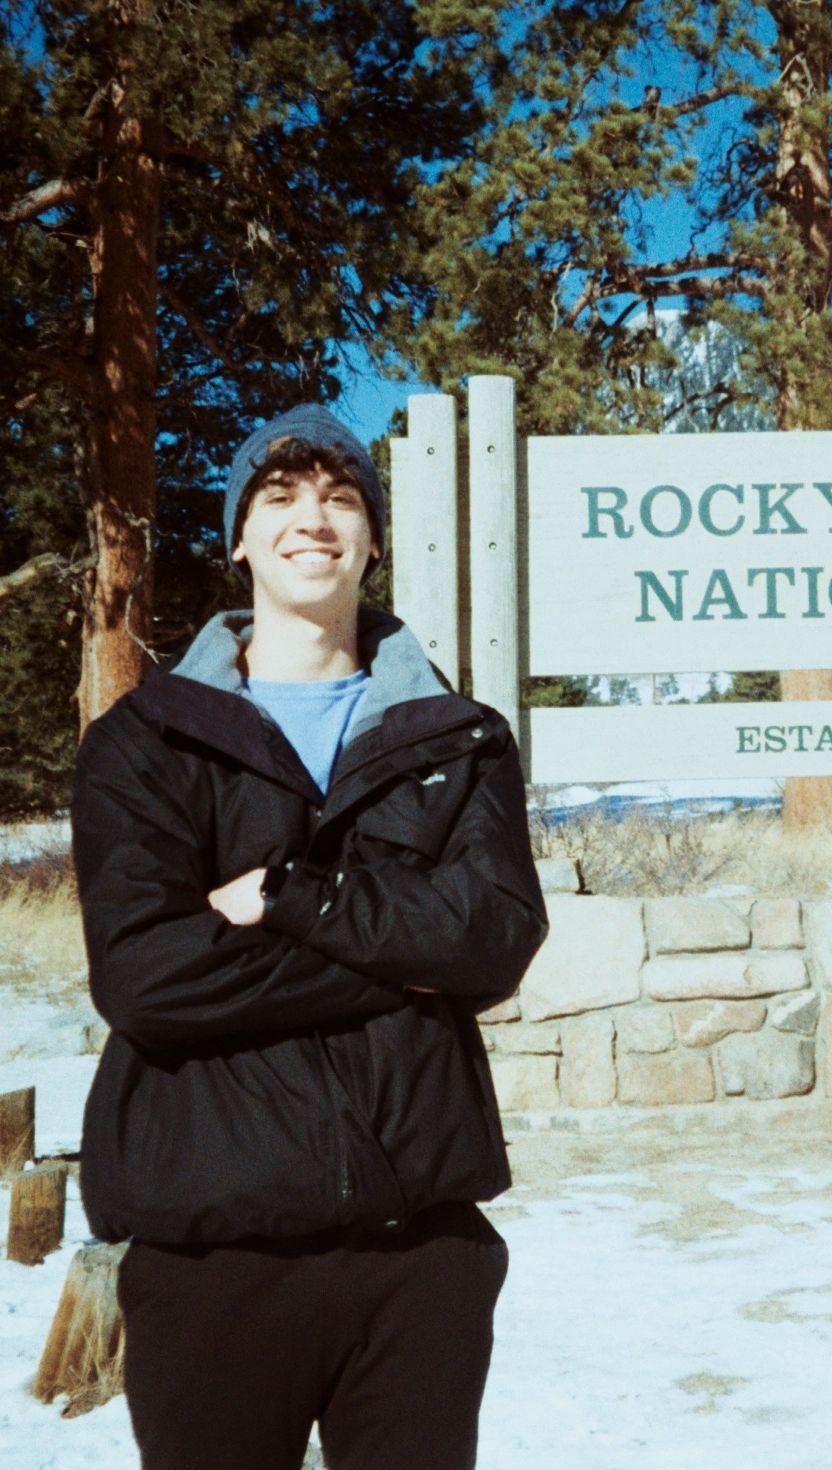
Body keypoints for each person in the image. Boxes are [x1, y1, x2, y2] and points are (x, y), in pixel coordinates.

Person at [69, 402, 550, 1470]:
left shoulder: (459, 741)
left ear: (374, 539)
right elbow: (150, 981)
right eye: (279, 498)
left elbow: (497, 940)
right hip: (214, 1257)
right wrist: (412, 964)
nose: (314, 520)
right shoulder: (145, 743)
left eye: (341, 499)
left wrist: (293, 896)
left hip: (420, 1253)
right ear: (239, 536)